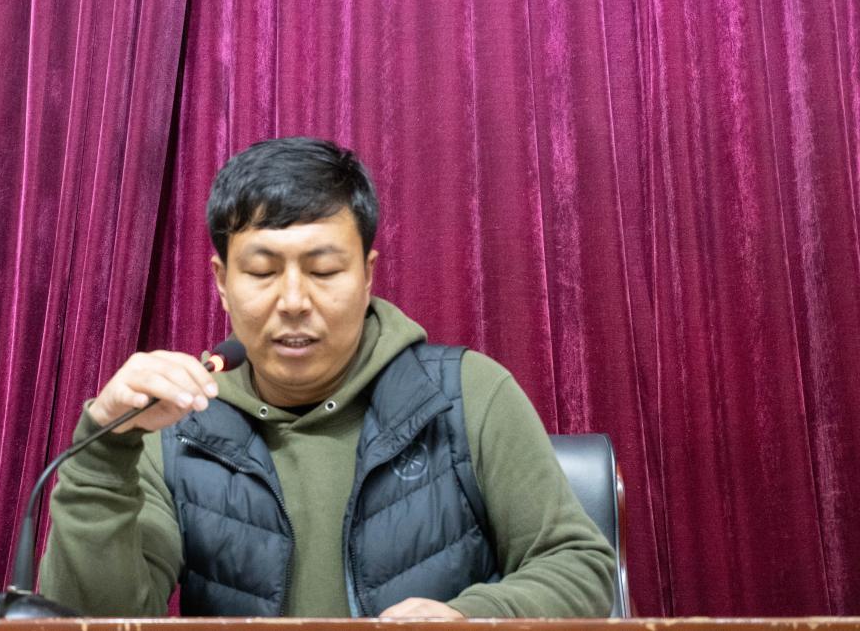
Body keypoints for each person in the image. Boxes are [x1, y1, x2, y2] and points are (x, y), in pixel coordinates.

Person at [39, 137, 615, 618]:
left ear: (366, 275)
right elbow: (94, 619)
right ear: (221, 282)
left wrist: (473, 617)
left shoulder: (466, 394)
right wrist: (104, 451)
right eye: (262, 271)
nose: (294, 301)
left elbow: (578, 566)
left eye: (324, 270)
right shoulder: (172, 424)